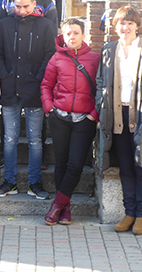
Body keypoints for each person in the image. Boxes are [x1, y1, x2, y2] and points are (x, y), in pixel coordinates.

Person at [96, 5, 142, 235]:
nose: (125, 27)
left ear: (137, 26)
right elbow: (100, 81)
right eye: (121, 23)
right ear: (115, 26)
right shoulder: (109, 50)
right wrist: (101, 104)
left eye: (130, 23)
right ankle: (129, 213)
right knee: (125, 167)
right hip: (117, 116)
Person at [0, 0, 56, 200]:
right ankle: (9, 181)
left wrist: (38, 78)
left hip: (34, 90)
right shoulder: (4, 24)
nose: (21, 11)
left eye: (25, 6)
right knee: (9, 138)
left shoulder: (46, 25)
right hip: (10, 88)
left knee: (35, 140)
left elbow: (50, 55)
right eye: (18, 7)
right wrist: (4, 74)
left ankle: (34, 182)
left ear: (34, 4)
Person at [40, 18, 100, 225]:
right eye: (68, 33)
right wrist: (49, 108)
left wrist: (94, 114)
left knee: (75, 165)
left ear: (83, 35)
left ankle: (56, 206)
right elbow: (46, 85)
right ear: (63, 36)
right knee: (61, 164)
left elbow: (102, 90)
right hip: (60, 118)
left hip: (84, 120)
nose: (72, 37)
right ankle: (65, 210)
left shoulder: (95, 59)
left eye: (76, 33)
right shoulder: (56, 58)